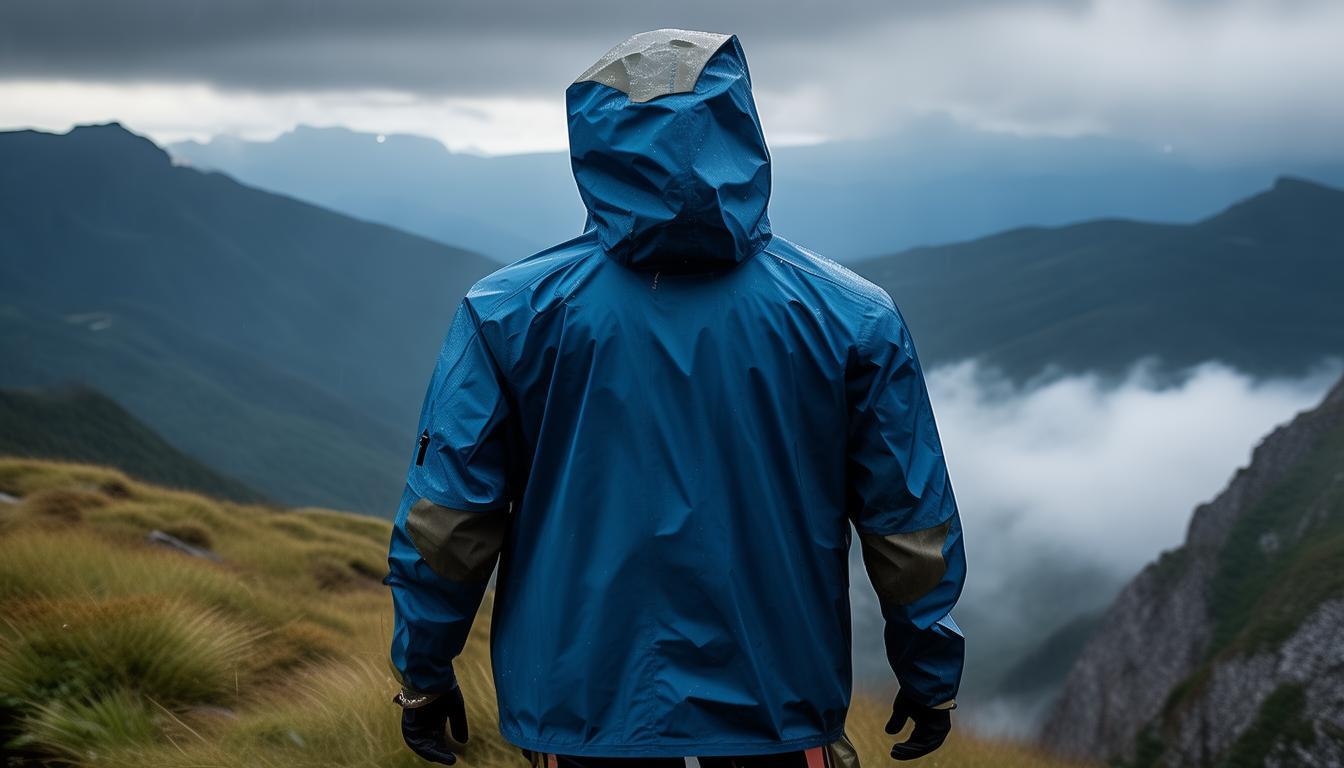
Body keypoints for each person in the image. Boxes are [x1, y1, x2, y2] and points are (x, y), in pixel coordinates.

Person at [386, 29, 966, 767]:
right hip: (779, 709)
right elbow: (908, 520)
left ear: (594, 140)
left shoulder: (507, 313)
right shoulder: (853, 316)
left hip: (582, 713)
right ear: (743, 130)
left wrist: (425, 675)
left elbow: (449, 523)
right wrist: (929, 673)